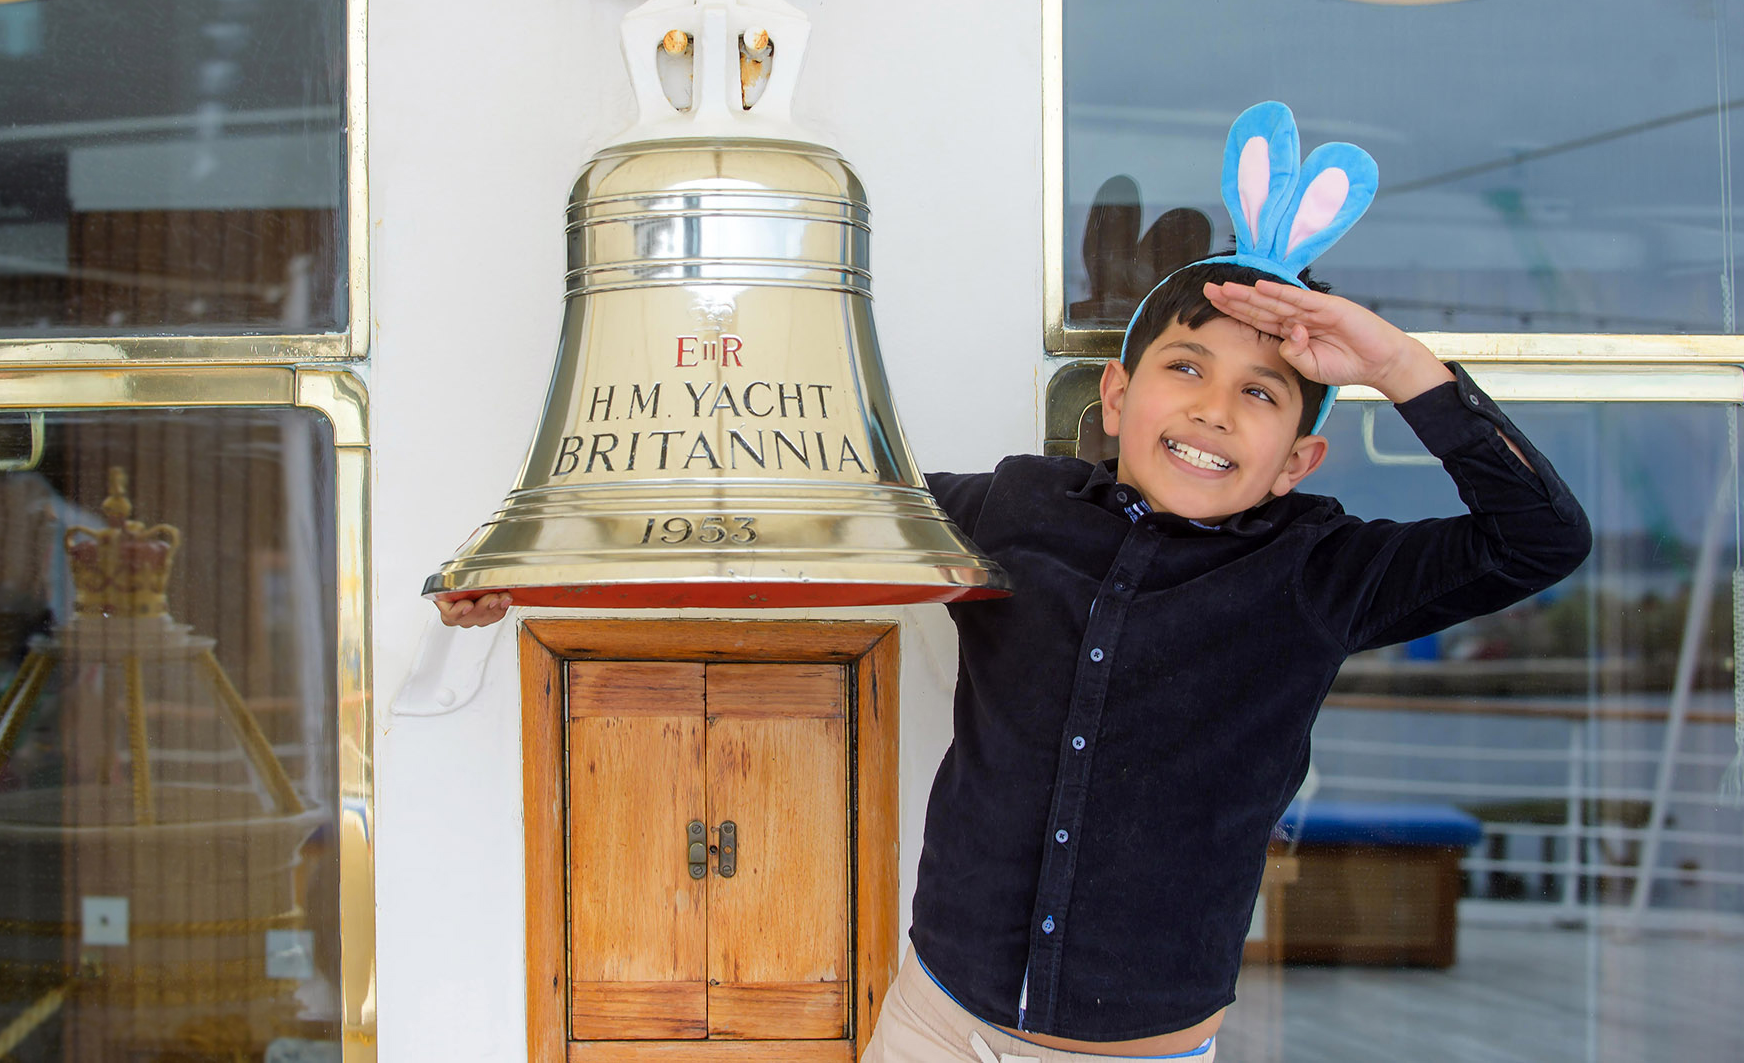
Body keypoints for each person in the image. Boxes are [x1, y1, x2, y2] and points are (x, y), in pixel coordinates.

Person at [439, 103, 1593, 1062]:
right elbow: (795, 513)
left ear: (1297, 456)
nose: (1208, 406)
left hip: (1131, 1043)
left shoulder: (1324, 568)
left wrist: (1393, 363)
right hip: (938, 1008)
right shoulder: (1014, 505)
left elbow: (1537, 538)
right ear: (1114, 394)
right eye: (1183, 367)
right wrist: (540, 579)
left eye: (1260, 392)